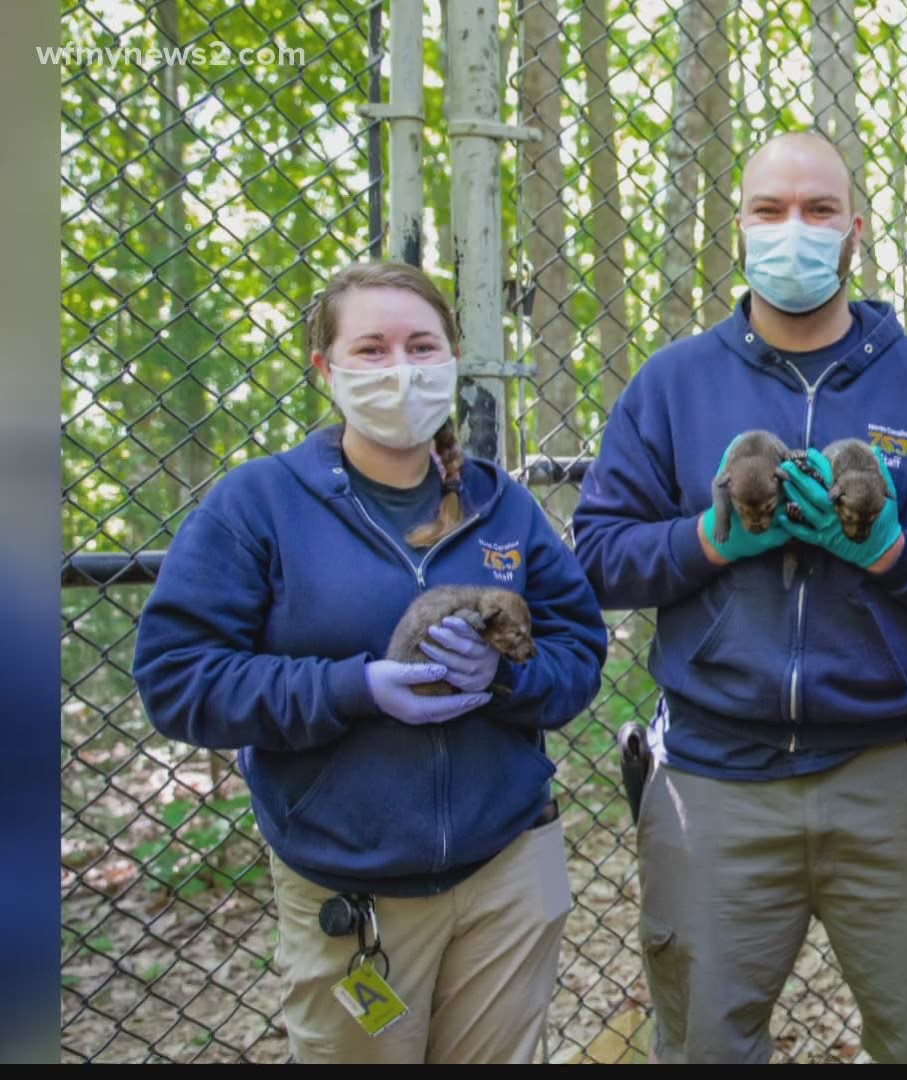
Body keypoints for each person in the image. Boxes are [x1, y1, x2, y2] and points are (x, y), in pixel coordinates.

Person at [570, 130, 907, 1064]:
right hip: (717, 775)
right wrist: (711, 540)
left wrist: (888, 553)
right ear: (741, 229)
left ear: (856, 232)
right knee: (707, 1044)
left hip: (888, 764)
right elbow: (597, 555)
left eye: (817, 210)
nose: (792, 230)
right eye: (769, 211)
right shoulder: (674, 384)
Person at [131, 260, 610, 1063]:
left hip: (508, 866)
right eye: (373, 349)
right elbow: (178, 680)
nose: (401, 371)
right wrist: (351, 688)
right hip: (352, 885)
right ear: (326, 369)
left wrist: (504, 678)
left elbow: (579, 655)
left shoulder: (504, 506)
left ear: (454, 359)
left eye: (423, 347)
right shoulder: (260, 505)